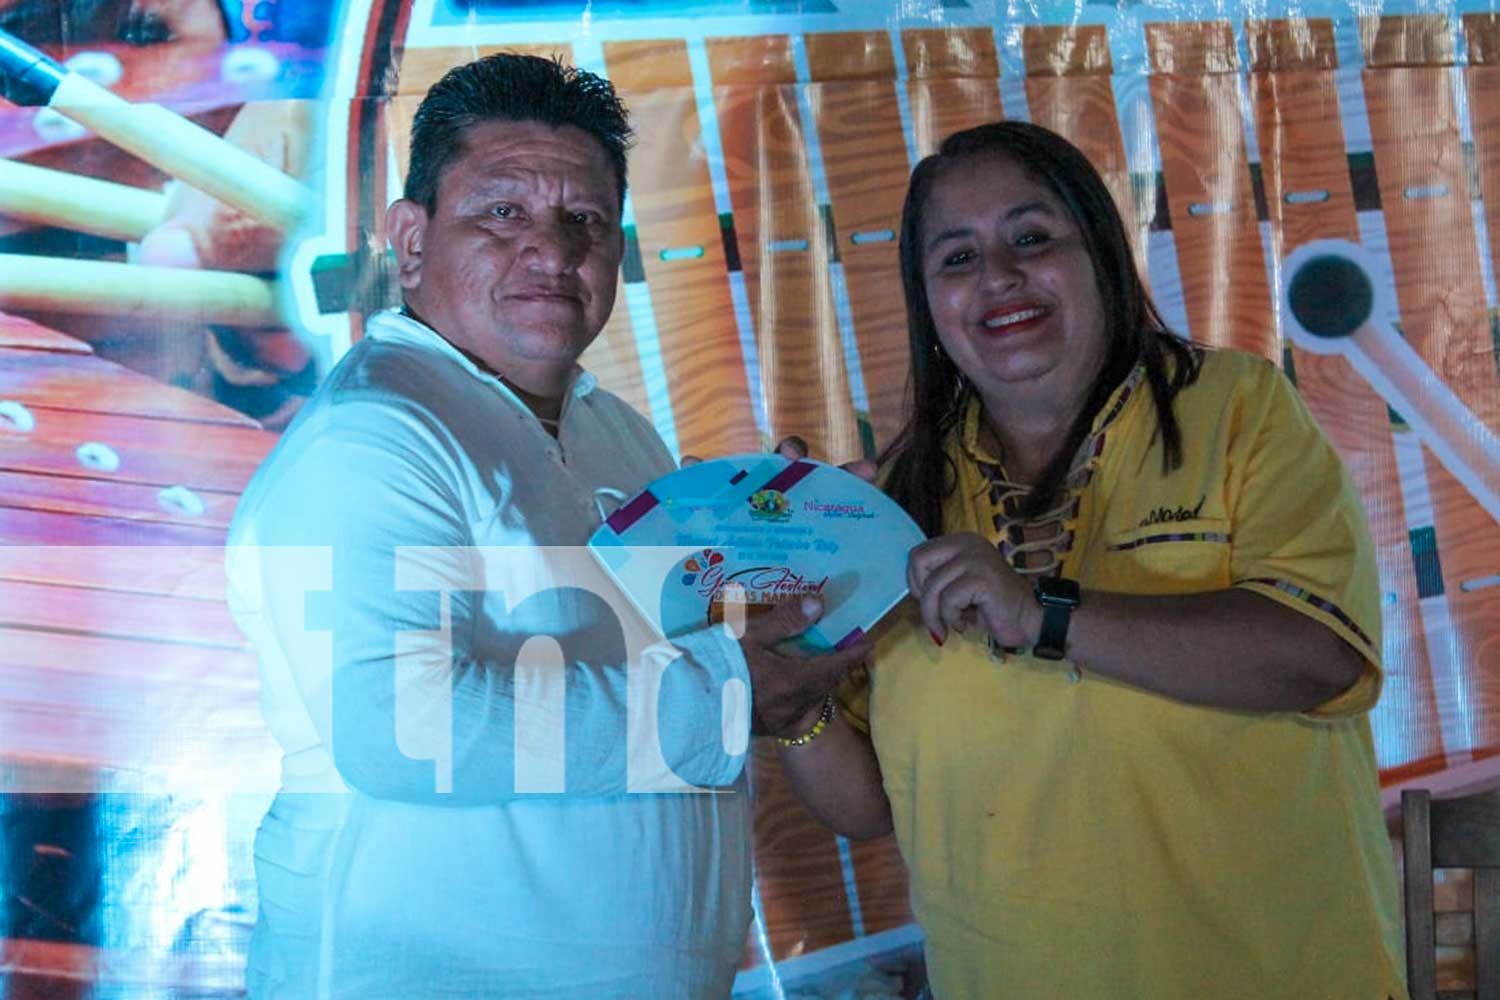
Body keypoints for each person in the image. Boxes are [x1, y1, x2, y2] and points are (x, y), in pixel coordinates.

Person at [225, 53, 863, 998]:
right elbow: (403, 729)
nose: (553, 251)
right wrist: (729, 698)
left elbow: (662, 668)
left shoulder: (618, 431)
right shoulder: (373, 434)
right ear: (409, 240)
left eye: (585, 221)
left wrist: (785, 555)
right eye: (502, 212)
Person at [777, 121, 1407, 999]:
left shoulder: (1237, 409)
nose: (997, 277)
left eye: (1031, 238)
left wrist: (1046, 614)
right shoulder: (892, 498)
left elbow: (1319, 654)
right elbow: (867, 806)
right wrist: (792, 691)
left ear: (1101, 252)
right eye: (956, 258)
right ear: (927, 299)